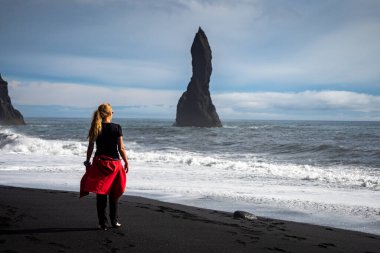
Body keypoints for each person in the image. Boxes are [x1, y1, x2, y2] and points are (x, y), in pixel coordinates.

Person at [80, 103, 129, 230]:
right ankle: (114, 221)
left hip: (99, 163)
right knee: (114, 193)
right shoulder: (117, 127)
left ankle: (102, 223)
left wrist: (87, 161)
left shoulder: (96, 127)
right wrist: (126, 161)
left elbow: (90, 147)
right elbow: (121, 148)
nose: (113, 114)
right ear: (109, 114)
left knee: (101, 193)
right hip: (114, 164)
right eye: (112, 112)